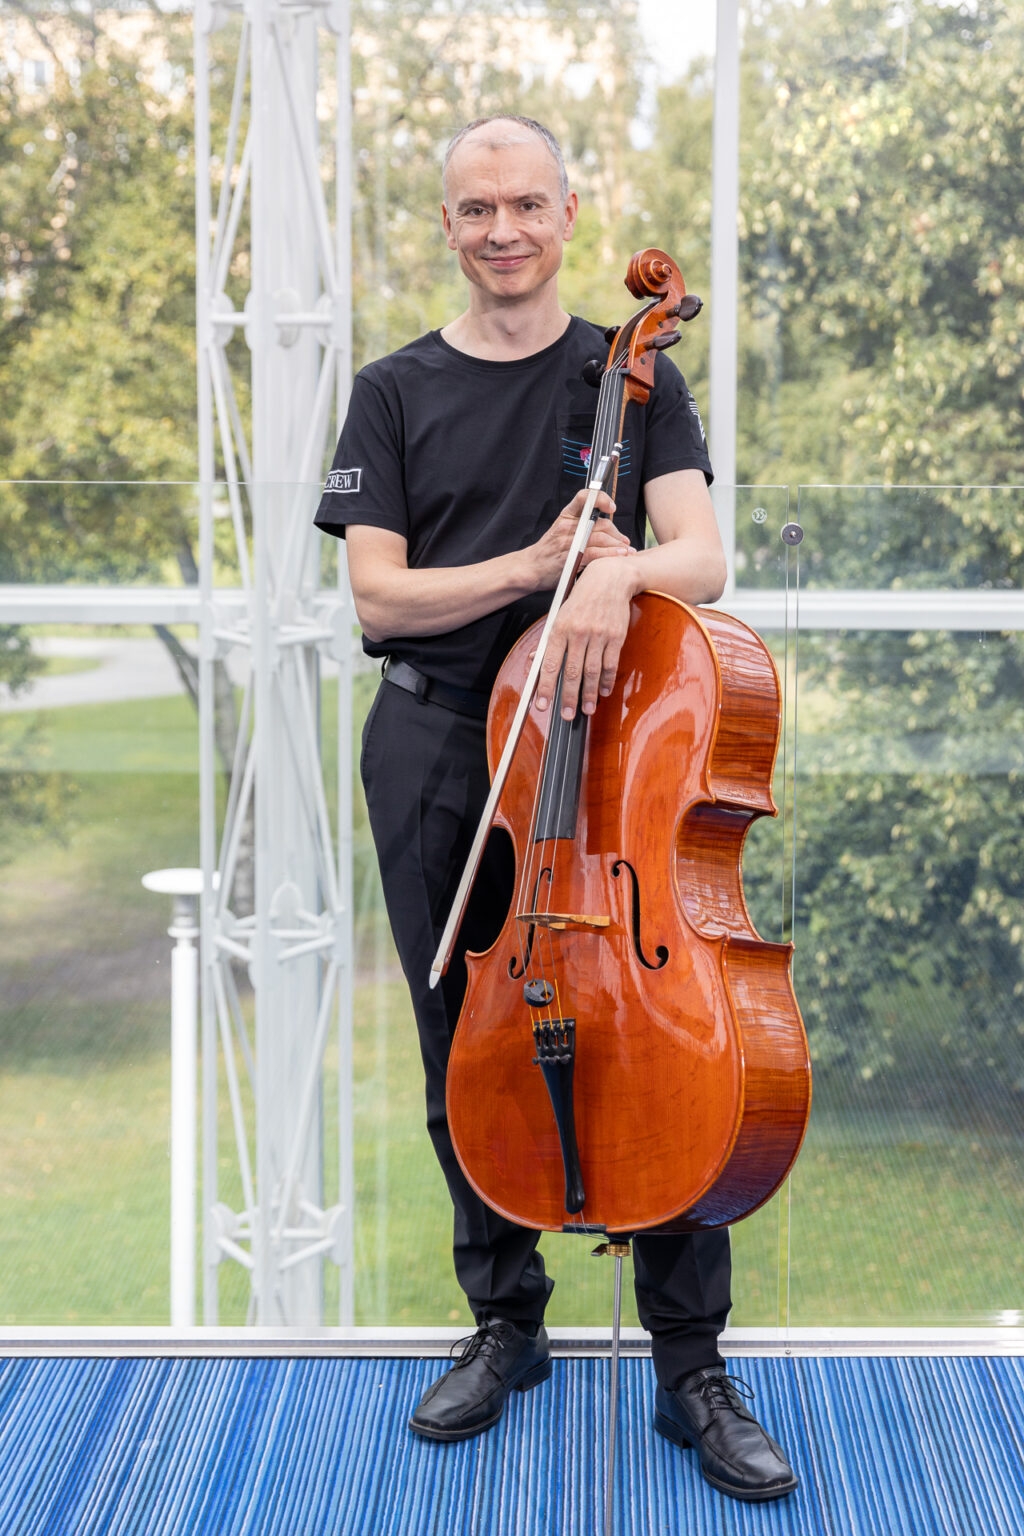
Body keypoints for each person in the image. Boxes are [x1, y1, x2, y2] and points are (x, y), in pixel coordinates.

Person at [315, 114, 797, 1504]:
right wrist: (533, 562)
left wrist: (612, 577)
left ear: (569, 215)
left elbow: (700, 554)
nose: (503, 228)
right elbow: (379, 595)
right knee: (462, 1034)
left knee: (671, 1030)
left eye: (527, 202)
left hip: (613, 742)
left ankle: (690, 1364)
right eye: (478, 208)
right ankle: (505, 1323)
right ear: (451, 225)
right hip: (441, 745)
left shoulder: (632, 375)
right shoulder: (393, 391)